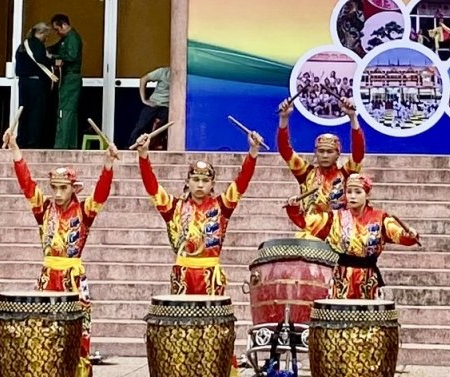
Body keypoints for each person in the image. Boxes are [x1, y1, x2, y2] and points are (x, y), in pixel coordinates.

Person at [7, 125, 116, 377]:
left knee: (80, 329)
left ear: (73, 189)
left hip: (73, 278)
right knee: (40, 327)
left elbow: (101, 194)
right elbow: (26, 184)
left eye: (63, 188)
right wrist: (15, 150)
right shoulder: (43, 209)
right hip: (48, 276)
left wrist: (107, 165)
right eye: (54, 188)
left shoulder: (84, 211)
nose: (57, 193)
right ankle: (37, 375)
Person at [137, 125, 262, 294]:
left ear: (212, 184)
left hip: (210, 277)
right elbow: (152, 188)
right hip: (183, 276)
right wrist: (143, 155)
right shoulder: (174, 207)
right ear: (187, 182)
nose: (200, 185)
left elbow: (242, 182)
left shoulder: (222, 206)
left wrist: (253, 151)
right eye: (195, 179)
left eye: (205, 180)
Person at [284, 173, 419, 299]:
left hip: (368, 279)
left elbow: (398, 233)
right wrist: (294, 208)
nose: (353, 196)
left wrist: (409, 235)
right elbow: (307, 223)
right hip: (341, 278)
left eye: (358, 192)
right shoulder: (335, 217)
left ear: (367, 195)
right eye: (349, 192)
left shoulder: (379, 218)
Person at [277, 96, 365, 214]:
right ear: (315, 153)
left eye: (329, 151)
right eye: (321, 151)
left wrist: (353, 117)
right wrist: (284, 118)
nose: (325, 155)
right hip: (311, 225)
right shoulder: (306, 174)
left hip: (340, 225)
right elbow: (285, 151)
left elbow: (358, 153)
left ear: (338, 154)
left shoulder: (346, 175)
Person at [15, 22, 55, 149]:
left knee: (24, 112)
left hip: (23, 82)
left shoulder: (23, 45)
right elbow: (40, 59)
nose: (46, 39)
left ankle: (22, 140)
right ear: (41, 33)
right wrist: (52, 60)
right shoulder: (37, 45)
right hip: (36, 84)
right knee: (36, 113)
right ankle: (33, 142)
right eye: (46, 36)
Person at [49, 14, 84, 149]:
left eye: (57, 29)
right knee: (70, 112)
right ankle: (70, 143)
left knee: (65, 110)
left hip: (70, 77)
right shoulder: (65, 39)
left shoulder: (72, 38)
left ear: (64, 25)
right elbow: (55, 47)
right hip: (68, 77)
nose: (57, 33)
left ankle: (62, 144)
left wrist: (54, 57)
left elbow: (71, 56)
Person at [128, 66, 171, 148]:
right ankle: (131, 147)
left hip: (168, 106)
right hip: (154, 103)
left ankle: (154, 147)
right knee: (141, 125)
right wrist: (144, 99)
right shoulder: (163, 72)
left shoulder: (185, 75)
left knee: (160, 128)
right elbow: (143, 79)